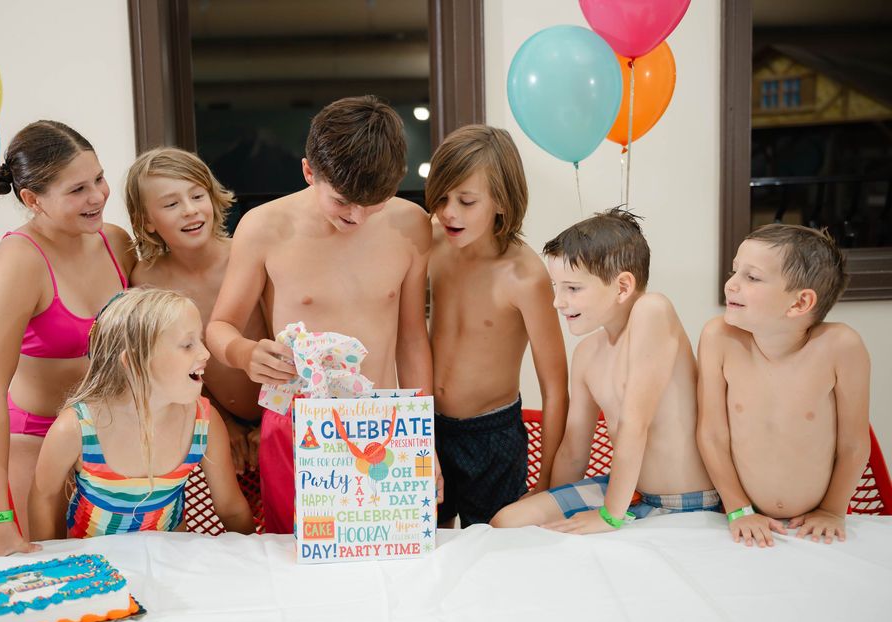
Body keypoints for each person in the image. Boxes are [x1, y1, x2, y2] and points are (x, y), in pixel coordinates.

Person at [206, 95, 437, 534]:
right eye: (343, 201)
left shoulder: (412, 225)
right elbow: (219, 327)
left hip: (383, 424)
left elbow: (411, 339)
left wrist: (423, 437)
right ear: (310, 171)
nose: (359, 216)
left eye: (376, 202)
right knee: (294, 561)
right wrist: (242, 352)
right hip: (298, 423)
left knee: (387, 562)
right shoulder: (264, 227)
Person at [0, 121, 135, 558]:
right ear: (32, 200)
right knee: (47, 576)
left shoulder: (115, 242)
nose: (97, 197)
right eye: (76, 190)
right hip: (34, 437)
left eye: (99, 179)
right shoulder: (20, 260)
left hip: (107, 437)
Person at [491, 208, 717, 532]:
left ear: (623, 287)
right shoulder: (586, 354)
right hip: (631, 492)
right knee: (508, 521)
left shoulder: (652, 311)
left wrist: (609, 516)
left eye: (572, 288)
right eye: (556, 286)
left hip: (684, 500)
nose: (557, 302)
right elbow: (573, 451)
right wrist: (548, 498)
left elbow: (634, 423)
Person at [425, 125, 568, 527]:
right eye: (442, 198)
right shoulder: (431, 244)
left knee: (491, 557)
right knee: (423, 551)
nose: (449, 212)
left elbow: (555, 385)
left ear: (501, 203)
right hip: (429, 427)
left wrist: (547, 478)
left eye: (466, 201)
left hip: (492, 439)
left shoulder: (524, 276)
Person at [29, 288, 254, 539]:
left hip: (169, 562)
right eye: (188, 344)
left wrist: (256, 563)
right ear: (135, 362)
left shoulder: (203, 423)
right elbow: (44, 499)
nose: (205, 353)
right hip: (95, 566)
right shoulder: (77, 427)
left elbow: (231, 509)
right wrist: (52, 563)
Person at [697, 224, 870, 547]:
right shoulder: (718, 338)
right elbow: (712, 435)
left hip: (813, 521)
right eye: (734, 271)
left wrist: (832, 511)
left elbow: (854, 444)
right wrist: (738, 509)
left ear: (799, 303)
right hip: (741, 516)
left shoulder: (841, 347)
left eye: (752, 277)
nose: (731, 284)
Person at [126, 147, 267, 477]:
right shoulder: (147, 279)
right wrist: (221, 423)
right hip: (212, 418)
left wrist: (278, 420)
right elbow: (169, 366)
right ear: (146, 221)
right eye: (171, 204)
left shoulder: (249, 258)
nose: (189, 210)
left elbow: (289, 339)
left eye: (197, 195)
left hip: (281, 414)